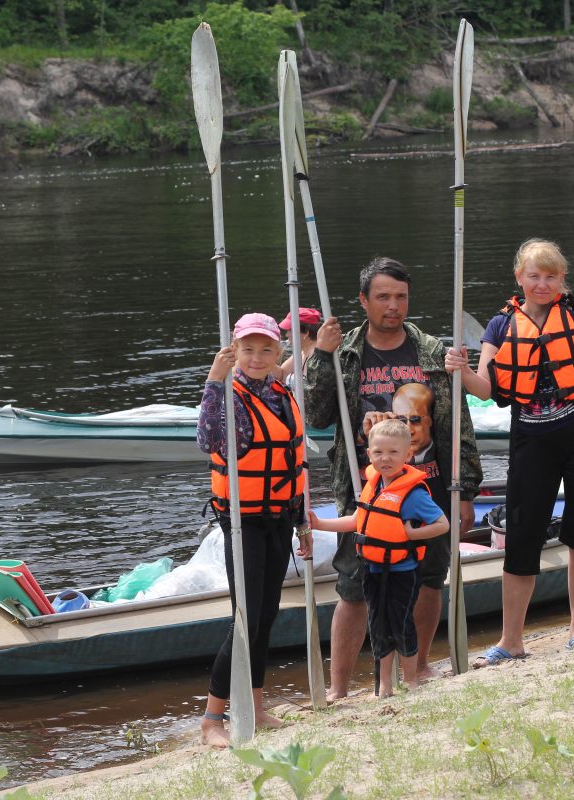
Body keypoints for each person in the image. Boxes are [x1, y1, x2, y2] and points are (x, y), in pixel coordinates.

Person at [445, 239, 574, 665]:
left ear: (561, 280)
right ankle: (511, 640)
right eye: (535, 275)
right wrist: (459, 371)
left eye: (551, 276)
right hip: (531, 440)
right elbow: (487, 387)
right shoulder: (500, 327)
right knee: (521, 537)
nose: (542, 283)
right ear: (519, 277)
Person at [306, 257, 482, 700]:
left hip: (427, 486)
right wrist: (322, 356)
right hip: (365, 489)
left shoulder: (432, 352)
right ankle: (339, 688)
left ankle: (418, 668)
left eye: (401, 297)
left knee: (427, 578)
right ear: (364, 300)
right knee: (354, 586)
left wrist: (466, 490)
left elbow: (457, 424)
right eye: (383, 297)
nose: (393, 306)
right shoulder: (344, 352)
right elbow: (315, 415)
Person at [196, 312, 312, 747]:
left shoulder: (281, 393)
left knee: (266, 615)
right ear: (234, 351)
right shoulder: (229, 394)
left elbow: (293, 462)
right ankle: (212, 718)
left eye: (266, 349)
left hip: (280, 514)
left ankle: (257, 707)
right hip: (241, 520)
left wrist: (302, 524)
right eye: (248, 349)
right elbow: (207, 439)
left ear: (278, 352)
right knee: (244, 618)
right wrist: (214, 378)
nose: (257, 357)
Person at [309, 419, 449, 698]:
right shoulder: (373, 486)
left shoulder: (413, 493)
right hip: (372, 569)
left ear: (407, 455)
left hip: (402, 571)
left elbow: (442, 524)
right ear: (369, 454)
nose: (385, 459)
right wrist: (319, 524)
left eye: (393, 453)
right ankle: (384, 685)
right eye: (378, 453)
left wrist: (410, 534)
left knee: (401, 624)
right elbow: (356, 521)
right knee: (378, 626)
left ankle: (410, 680)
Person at [277, 306, 322, 387]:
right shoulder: (302, 352)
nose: (286, 334)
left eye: (290, 330)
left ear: (305, 333)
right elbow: (282, 375)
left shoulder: (317, 357)